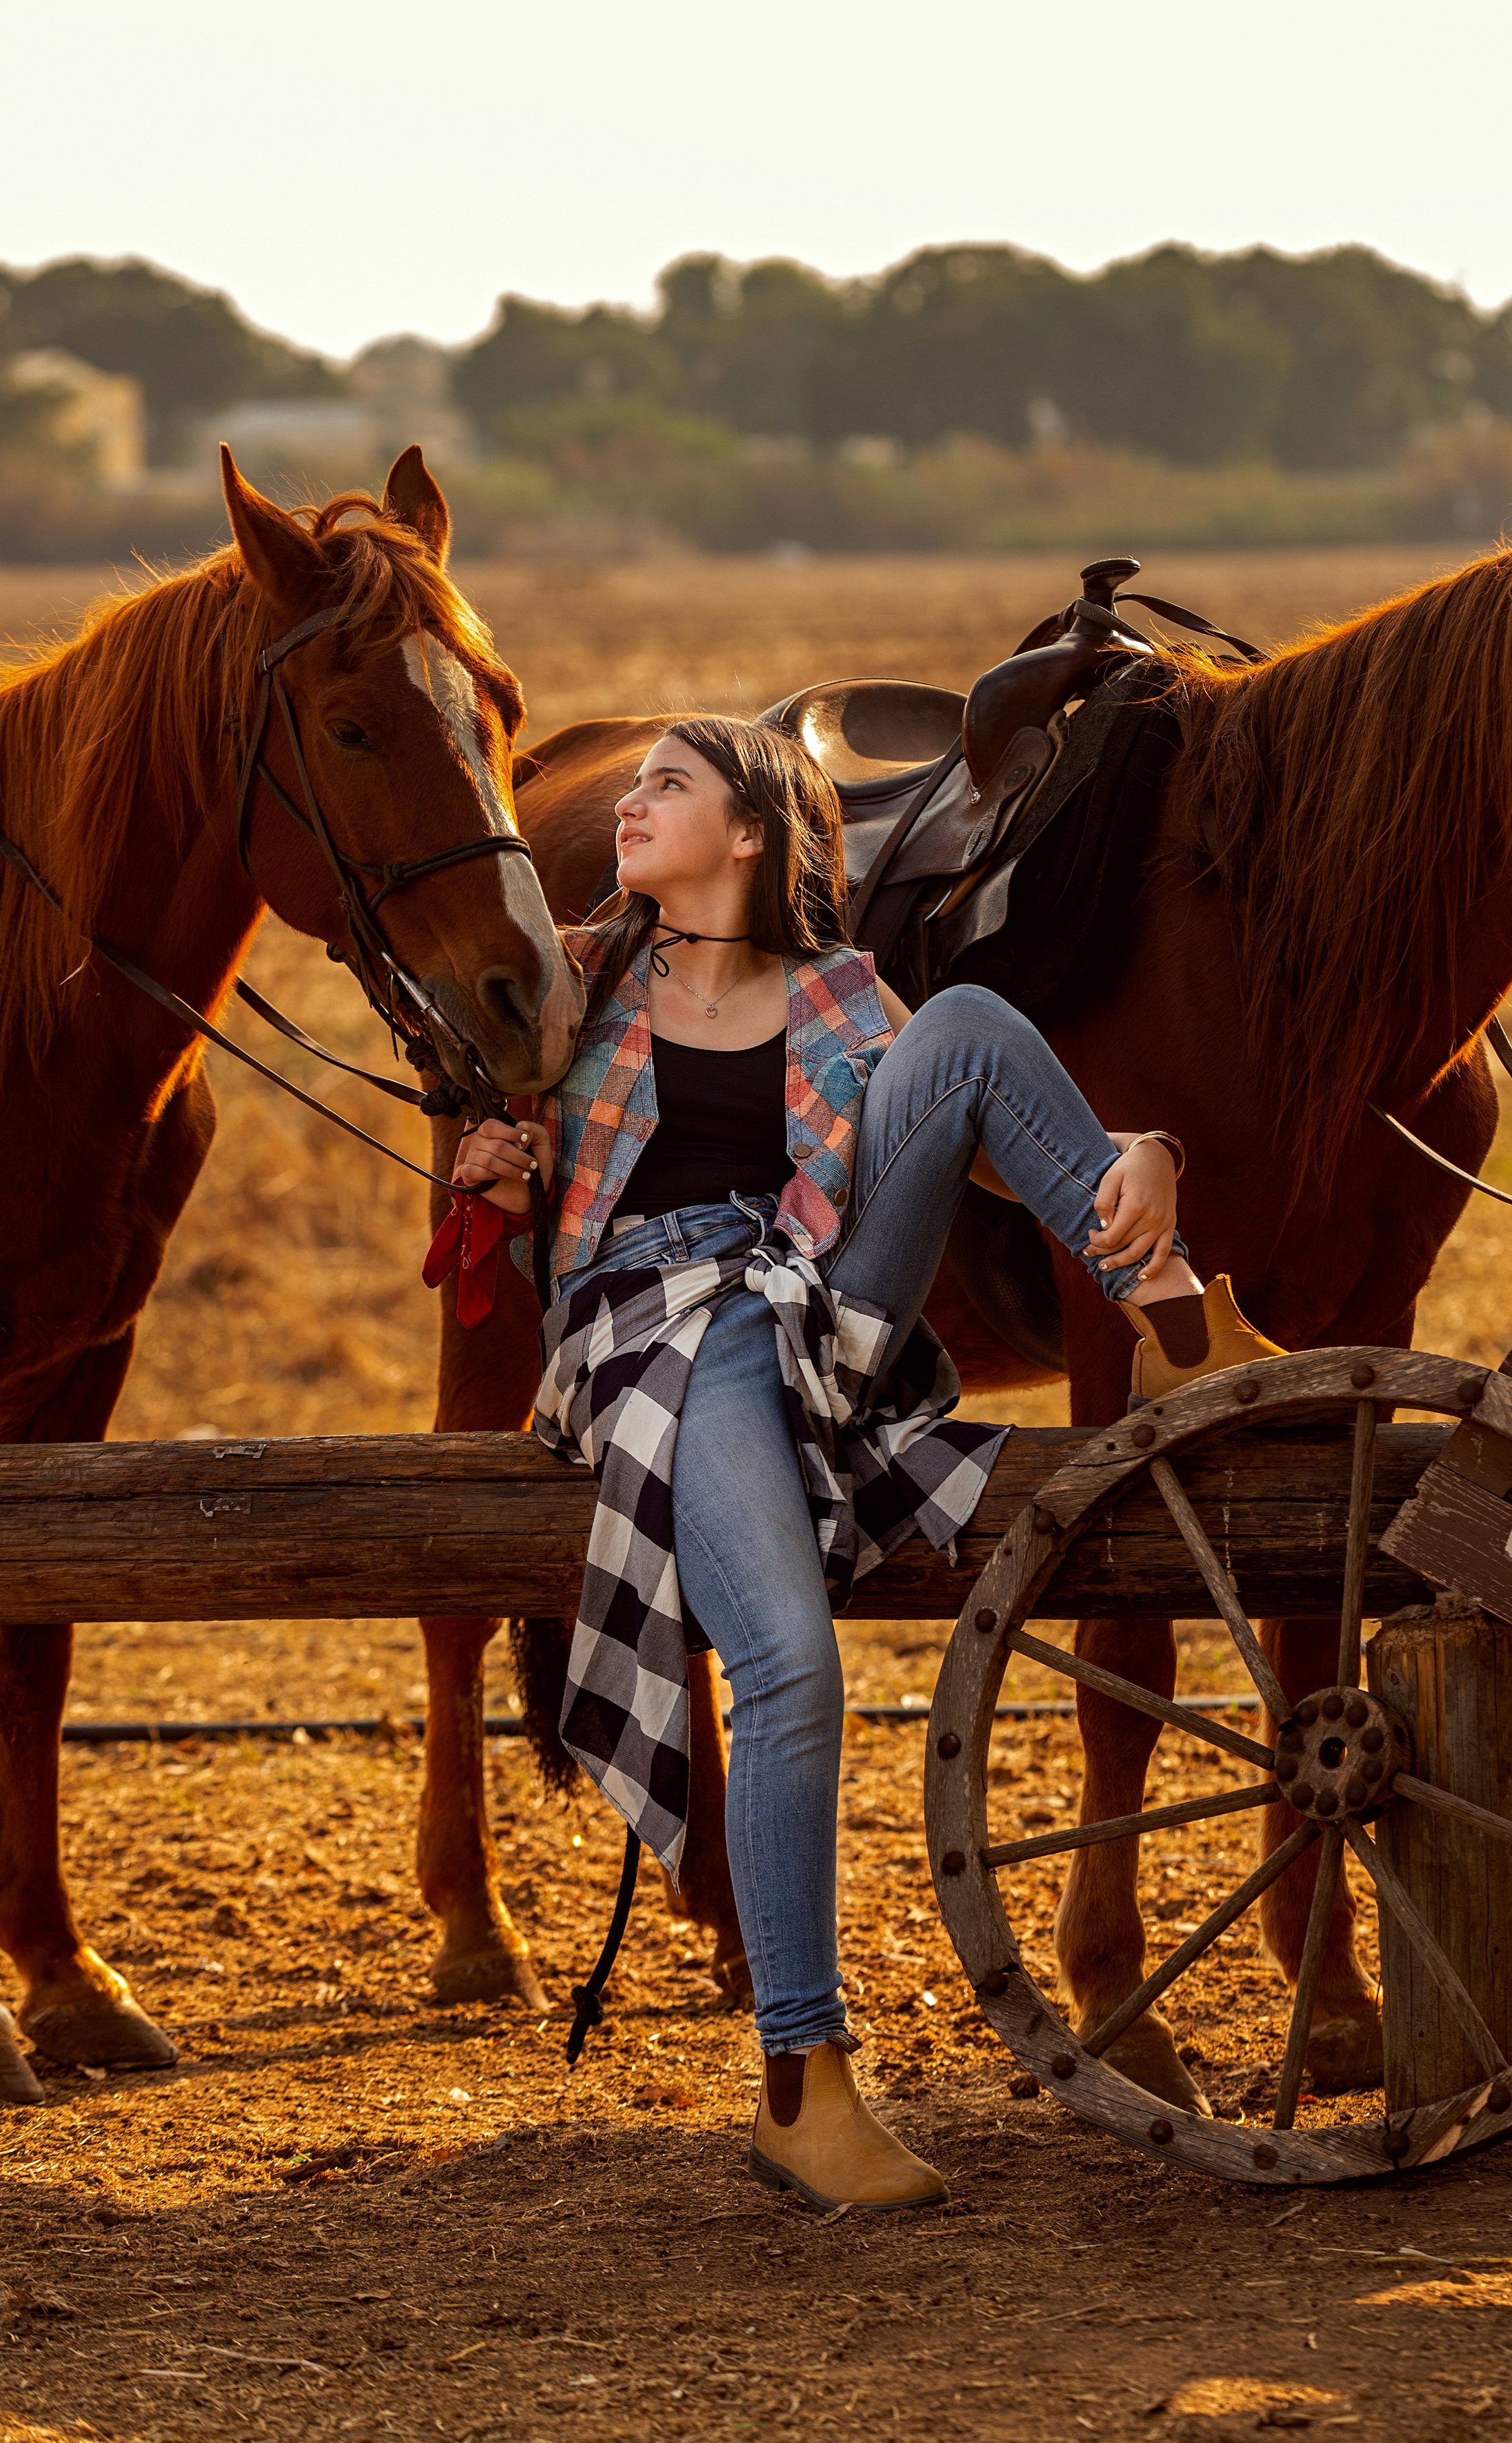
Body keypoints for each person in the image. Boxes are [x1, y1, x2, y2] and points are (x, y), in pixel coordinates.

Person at [442, 715, 1278, 2217]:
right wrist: (499, 1174)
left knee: (964, 1028)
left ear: (751, 833)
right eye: (631, 787)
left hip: (820, 1305)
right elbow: (472, 1109)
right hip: (657, 1334)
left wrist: (1133, 1150)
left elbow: (964, 1126)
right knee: (789, 1670)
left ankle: (1172, 1313)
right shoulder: (581, 976)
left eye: (666, 786)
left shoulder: (833, 994)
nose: (628, 803)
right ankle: (802, 2088)